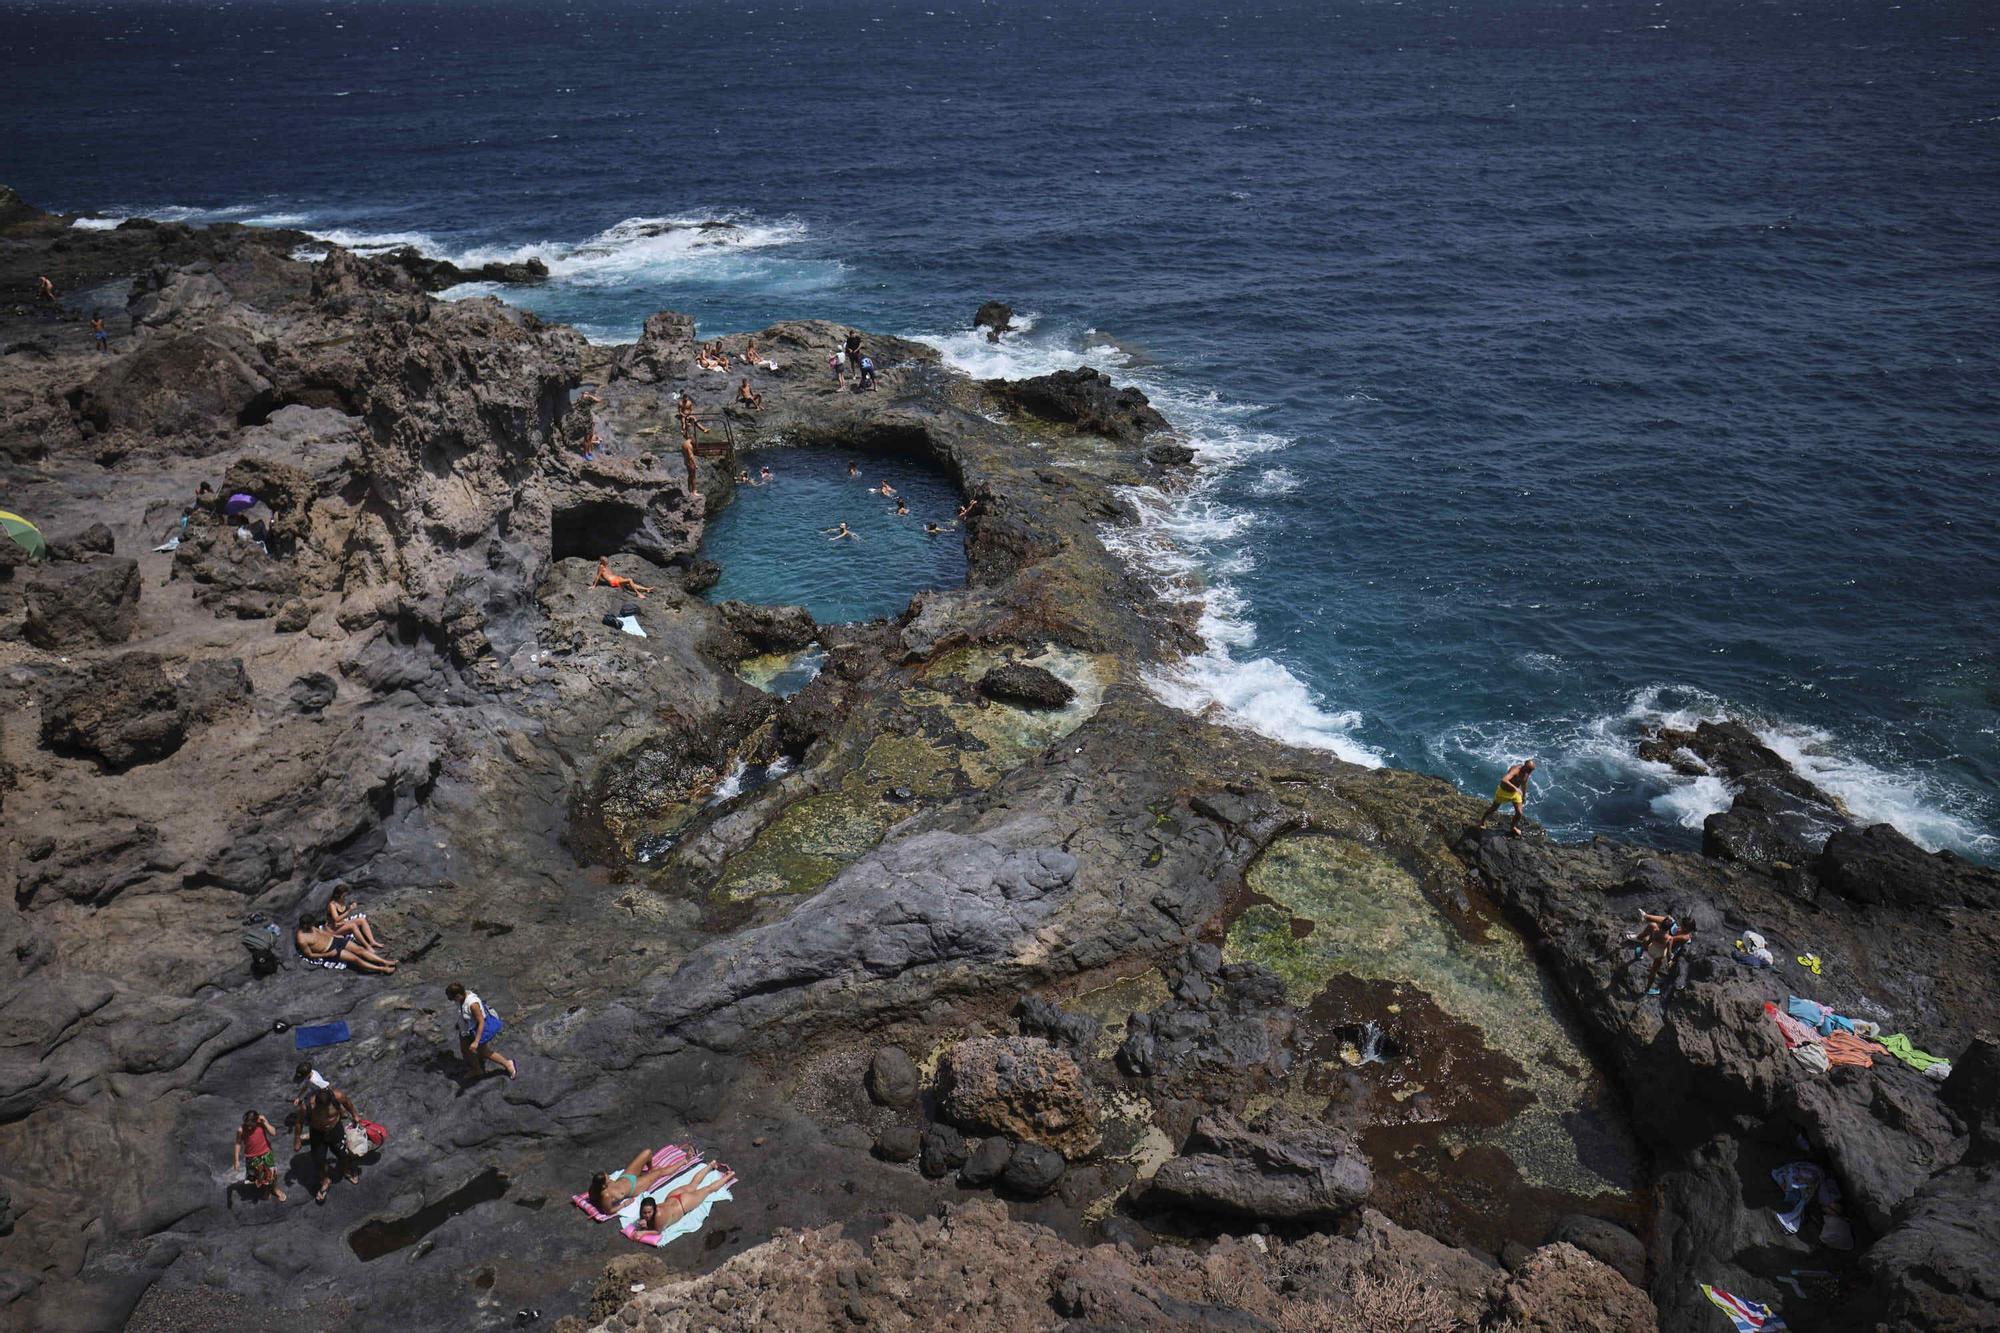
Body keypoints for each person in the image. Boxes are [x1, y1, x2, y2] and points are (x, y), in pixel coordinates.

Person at [293, 1082, 361, 1203]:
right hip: (317, 1133)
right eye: (320, 1108)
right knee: (319, 1161)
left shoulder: (337, 1096)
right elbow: (299, 1122)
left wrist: (355, 1114)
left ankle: (345, 1169)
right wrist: (297, 1139)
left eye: (325, 1108)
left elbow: (348, 1103)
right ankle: (325, 1180)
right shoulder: (307, 1107)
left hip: (335, 1130)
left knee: (343, 1154)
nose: (323, 1111)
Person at [628, 1165, 738, 1239]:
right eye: (645, 1213)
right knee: (693, 1184)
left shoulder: (658, 1216)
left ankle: (730, 1175)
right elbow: (648, 1221)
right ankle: (711, 1165)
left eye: (649, 1213)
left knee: (708, 1189)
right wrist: (646, 1222)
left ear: (655, 1209)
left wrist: (643, 1232)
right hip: (673, 1197)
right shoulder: (649, 1209)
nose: (646, 1215)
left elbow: (658, 1232)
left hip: (683, 1203)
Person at [588, 1147, 692, 1215]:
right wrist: (624, 1205)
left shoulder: (595, 1187)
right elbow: (608, 1211)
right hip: (634, 1187)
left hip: (626, 1177)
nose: (610, 1178)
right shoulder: (605, 1196)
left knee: (647, 1152)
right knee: (660, 1172)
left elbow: (593, 1197)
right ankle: (685, 1160)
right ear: (603, 1186)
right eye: (608, 1179)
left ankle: (651, 1168)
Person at [446, 982, 517, 1080]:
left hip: (476, 1030)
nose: (451, 1001)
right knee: (465, 1049)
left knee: (483, 1052)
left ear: (458, 995)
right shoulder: (461, 998)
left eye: (452, 998)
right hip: (465, 1030)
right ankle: (476, 1069)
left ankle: (508, 1064)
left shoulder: (472, 1004)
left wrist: (476, 1041)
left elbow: (481, 1022)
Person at [295, 915, 397, 974]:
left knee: (360, 950)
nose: (313, 926)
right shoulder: (302, 939)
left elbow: (322, 933)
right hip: (329, 950)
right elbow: (310, 955)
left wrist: (334, 936)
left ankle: (385, 962)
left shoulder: (311, 927)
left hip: (334, 940)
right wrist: (327, 955)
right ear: (305, 925)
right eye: (310, 924)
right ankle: (382, 969)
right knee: (356, 959)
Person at [1632, 910, 1698, 996]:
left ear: (1687, 928)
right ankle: (1646, 917)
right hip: (1663, 943)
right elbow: (1667, 939)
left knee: (1655, 967)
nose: (1680, 926)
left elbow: (1669, 943)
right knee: (1663, 922)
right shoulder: (1677, 930)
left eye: (1682, 926)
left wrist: (1660, 932)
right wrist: (1665, 925)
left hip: (1667, 946)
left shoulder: (1685, 937)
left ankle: (1640, 951)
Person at [233, 1109, 287, 1203]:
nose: (249, 1127)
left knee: (271, 1174)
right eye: (247, 1124)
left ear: (257, 1120)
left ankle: (274, 1189)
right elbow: (238, 1143)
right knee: (259, 1176)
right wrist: (236, 1160)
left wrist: (265, 1121)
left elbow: (273, 1133)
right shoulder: (241, 1130)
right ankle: (266, 1189)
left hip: (266, 1153)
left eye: (251, 1125)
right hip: (252, 1157)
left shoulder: (261, 1124)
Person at [1478, 759, 1536, 837]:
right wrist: (1516, 788)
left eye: (1531, 770)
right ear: (1524, 766)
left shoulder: (1526, 773)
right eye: (1529, 769)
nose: (1529, 772)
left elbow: (1524, 784)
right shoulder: (1515, 770)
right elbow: (1504, 780)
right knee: (1493, 808)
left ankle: (1513, 827)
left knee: (1519, 813)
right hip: (1503, 792)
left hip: (1515, 794)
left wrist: (1524, 796)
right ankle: (1482, 821)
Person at [326, 885, 383, 952]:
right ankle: (367, 946)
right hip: (333, 929)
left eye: (345, 896)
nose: (345, 897)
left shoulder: (342, 901)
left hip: (341, 924)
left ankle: (372, 941)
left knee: (362, 920)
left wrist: (352, 905)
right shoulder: (332, 904)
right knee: (353, 926)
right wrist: (349, 910)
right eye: (343, 896)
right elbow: (336, 919)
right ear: (338, 895)